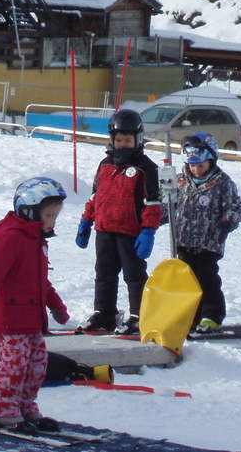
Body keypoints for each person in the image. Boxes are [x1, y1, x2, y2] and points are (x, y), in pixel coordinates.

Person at [0, 177, 70, 434]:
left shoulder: (37, 243)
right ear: (29, 211)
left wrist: (56, 306)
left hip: (32, 319)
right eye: (48, 215)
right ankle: (0, 410)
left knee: (37, 365)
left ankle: (23, 406)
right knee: (13, 364)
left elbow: (41, 282)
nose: (52, 221)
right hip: (10, 318)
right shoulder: (12, 238)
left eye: (55, 216)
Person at [75, 109, 161, 335]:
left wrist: (148, 231)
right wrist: (86, 221)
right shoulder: (105, 165)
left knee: (134, 275)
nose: (123, 144)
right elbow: (96, 196)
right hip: (104, 229)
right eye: (119, 140)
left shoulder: (145, 168)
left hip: (130, 231)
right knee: (104, 273)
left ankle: (139, 315)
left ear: (138, 140)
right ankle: (104, 313)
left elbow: (152, 204)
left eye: (128, 140)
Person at [174, 133, 241, 334]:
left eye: (201, 166)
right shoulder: (180, 182)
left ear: (211, 160)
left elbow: (235, 207)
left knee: (206, 278)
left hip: (209, 242)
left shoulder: (223, 183)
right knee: (186, 280)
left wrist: (226, 222)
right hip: (184, 240)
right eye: (192, 165)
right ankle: (191, 315)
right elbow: (167, 206)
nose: (196, 170)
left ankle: (211, 315)